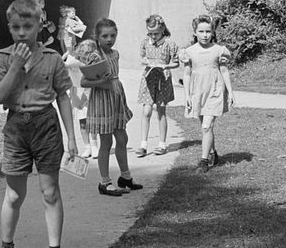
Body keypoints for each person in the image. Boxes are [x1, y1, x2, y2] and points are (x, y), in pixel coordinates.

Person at [0, 0, 77, 248]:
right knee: (14, 194)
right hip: (16, 127)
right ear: (9, 28)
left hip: (46, 126)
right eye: (15, 27)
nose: (22, 32)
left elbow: (63, 96)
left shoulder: (52, 59)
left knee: (50, 192)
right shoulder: (2, 57)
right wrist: (15, 66)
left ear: (40, 24)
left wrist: (72, 138)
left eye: (27, 25)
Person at [80, 18, 142, 197]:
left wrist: (113, 85)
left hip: (116, 98)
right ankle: (104, 182)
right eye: (105, 36)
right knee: (106, 142)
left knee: (122, 138)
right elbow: (84, 81)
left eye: (113, 35)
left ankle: (125, 177)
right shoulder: (95, 56)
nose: (109, 39)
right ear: (97, 37)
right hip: (102, 100)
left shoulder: (115, 53)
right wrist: (102, 82)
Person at [181, 14, 235, 173]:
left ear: (213, 33)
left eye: (208, 32)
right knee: (205, 126)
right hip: (197, 91)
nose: (205, 35)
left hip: (215, 90)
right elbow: (186, 74)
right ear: (195, 32)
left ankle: (203, 161)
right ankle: (212, 153)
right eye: (201, 31)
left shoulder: (219, 50)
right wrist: (187, 96)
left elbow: (224, 71)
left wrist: (230, 92)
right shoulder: (189, 52)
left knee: (206, 126)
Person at [136, 14, 180, 157]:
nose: (153, 36)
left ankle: (162, 144)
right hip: (149, 79)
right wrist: (146, 62)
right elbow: (142, 58)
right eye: (150, 33)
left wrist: (166, 65)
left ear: (162, 29)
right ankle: (143, 144)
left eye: (156, 33)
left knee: (161, 111)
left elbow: (176, 62)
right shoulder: (145, 42)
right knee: (146, 111)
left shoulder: (170, 44)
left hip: (163, 80)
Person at [63, 38, 102, 158]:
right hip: (78, 94)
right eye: (84, 53)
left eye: (89, 54)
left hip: (90, 94)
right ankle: (87, 147)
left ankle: (95, 145)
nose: (86, 57)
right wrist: (67, 54)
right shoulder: (72, 63)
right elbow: (60, 64)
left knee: (92, 120)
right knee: (82, 122)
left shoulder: (93, 65)